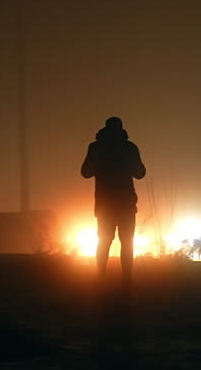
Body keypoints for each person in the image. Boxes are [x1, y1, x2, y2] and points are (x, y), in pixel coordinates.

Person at [81, 116, 147, 288]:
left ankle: (100, 276)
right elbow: (140, 173)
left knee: (104, 240)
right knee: (127, 242)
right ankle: (126, 280)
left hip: (105, 203)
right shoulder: (129, 147)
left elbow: (85, 172)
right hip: (126, 202)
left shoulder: (96, 147)